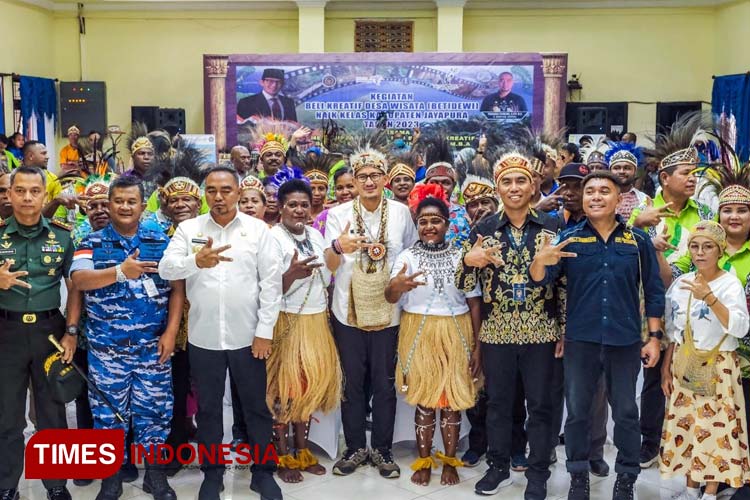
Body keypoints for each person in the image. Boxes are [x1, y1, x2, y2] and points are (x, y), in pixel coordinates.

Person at [530, 170, 665, 500]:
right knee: (577, 413)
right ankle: (578, 476)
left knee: (625, 414)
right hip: (581, 340)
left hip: (624, 340)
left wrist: (654, 337)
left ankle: (626, 478)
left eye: (604, 191)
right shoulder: (571, 238)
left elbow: (654, 289)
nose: (595, 197)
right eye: (590, 191)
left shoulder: (637, 241)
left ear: (619, 199)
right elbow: (541, 282)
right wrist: (539, 260)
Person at [158, 165, 283, 500]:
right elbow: (166, 268)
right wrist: (195, 262)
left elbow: (271, 286)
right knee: (209, 409)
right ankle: (212, 474)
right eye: (212, 190)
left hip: (249, 337)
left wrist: (265, 331)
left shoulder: (259, 231)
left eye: (226, 190)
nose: (219, 196)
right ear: (204, 193)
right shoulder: (189, 228)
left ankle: (263, 473)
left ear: (239, 192)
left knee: (256, 406)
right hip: (204, 337)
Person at [456, 150, 565, 499]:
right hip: (497, 331)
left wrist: (563, 329)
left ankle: (537, 473)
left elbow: (562, 284)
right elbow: (462, 284)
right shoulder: (484, 228)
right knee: (499, 403)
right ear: (499, 189)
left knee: (540, 404)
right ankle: (498, 466)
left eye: (522, 180)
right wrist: (468, 260)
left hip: (541, 329)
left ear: (534, 186)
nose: (514, 187)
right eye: (507, 181)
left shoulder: (552, 226)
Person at [70, 175, 182, 500]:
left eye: (131, 201)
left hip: (152, 348)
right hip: (107, 351)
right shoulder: (90, 240)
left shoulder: (162, 241)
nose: (124, 206)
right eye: (118, 200)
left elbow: (177, 288)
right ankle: (111, 479)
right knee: (107, 416)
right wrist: (120, 271)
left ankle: (156, 478)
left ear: (142, 205)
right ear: (109, 204)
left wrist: (172, 331)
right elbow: (79, 280)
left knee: (156, 413)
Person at [323, 147, 418, 479]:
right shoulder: (337, 214)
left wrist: (399, 281)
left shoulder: (402, 212)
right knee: (351, 383)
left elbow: (409, 252)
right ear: (353, 179)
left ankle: (382, 449)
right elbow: (330, 265)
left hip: (388, 309)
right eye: (361, 176)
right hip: (347, 311)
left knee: (384, 383)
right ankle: (354, 448)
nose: (367, 181)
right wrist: (338, 247)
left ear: (385, 179)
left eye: (374, 175)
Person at [386, 186, 479, 487]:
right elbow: (389, 296)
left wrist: (477, 347)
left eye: (435, 220)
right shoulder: (407, 256)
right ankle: (424, 460)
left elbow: (474, 301)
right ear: (417, 225)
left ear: (447, 224)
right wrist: (396, 286)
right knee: (425, 400)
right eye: (423, 221)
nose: (429, 226)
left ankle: (450, 462)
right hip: (418, 332)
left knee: (451, 401)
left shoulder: (462, 256)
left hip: (456, 331)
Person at [0, 166, 76, 500]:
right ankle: (6, 485)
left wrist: (71, 332)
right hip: (7, 334)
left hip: (50, 332)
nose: (28, 198)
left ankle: (56, 485)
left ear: (45, 195)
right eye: (20, 191)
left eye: (35, 191)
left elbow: (75, 288)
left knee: (52, 413)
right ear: (10, 194)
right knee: (7, 416)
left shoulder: (62, 235)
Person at [660, 221, 750, 500]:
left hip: (719, 367)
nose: (700, 253)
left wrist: (709, 297)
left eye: (708, 246)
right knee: (688, 427)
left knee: (715, 430)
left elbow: (740, 328)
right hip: (685, 363)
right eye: (695, 246)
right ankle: (690, 490)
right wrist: (666, 368)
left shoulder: (729, 284)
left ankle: (710, 493)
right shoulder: (680, 284)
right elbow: (673, 332)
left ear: (720, 250)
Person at [267, 178, 342, 483]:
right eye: (292, 205)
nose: (299, 210)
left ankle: (303, 451)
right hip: (286, 321)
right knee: (284, 392)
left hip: (315, 321)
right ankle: (282, 456)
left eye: (304, 205)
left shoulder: (315, 234)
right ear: (281, 207)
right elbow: (269, 288)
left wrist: (335, 252)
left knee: (307, 389)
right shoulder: (272, 238)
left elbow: (325, 280)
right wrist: (291, 274)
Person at [420, 136, 470, 248]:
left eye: (445, 183)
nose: (440, 187)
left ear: (454, 186)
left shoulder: (465, 214)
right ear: (425, 185)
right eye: (434, 182)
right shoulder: (414, 213)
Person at [606, 142, 650, 222]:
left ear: (635, 172)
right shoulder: (602, 197)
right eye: (617, 168)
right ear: (610, 171)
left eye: (627, 168)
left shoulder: (644, 199)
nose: (622, 171)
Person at [312, 164, 356, 236]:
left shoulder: (369, 211)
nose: (345, 192)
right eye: (339, 188)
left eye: (350, 186)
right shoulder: (325, 216)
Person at [299, 153, 338, 222]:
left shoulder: (333, 214)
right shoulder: (296, 214)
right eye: (312, 188)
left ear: (327, 190)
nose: (317, 193)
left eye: (321, 188)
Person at [556, 163, 591, 228]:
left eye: (577, 186)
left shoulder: (599, 221)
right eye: (565, 186)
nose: (569, 193)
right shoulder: (552, 220)